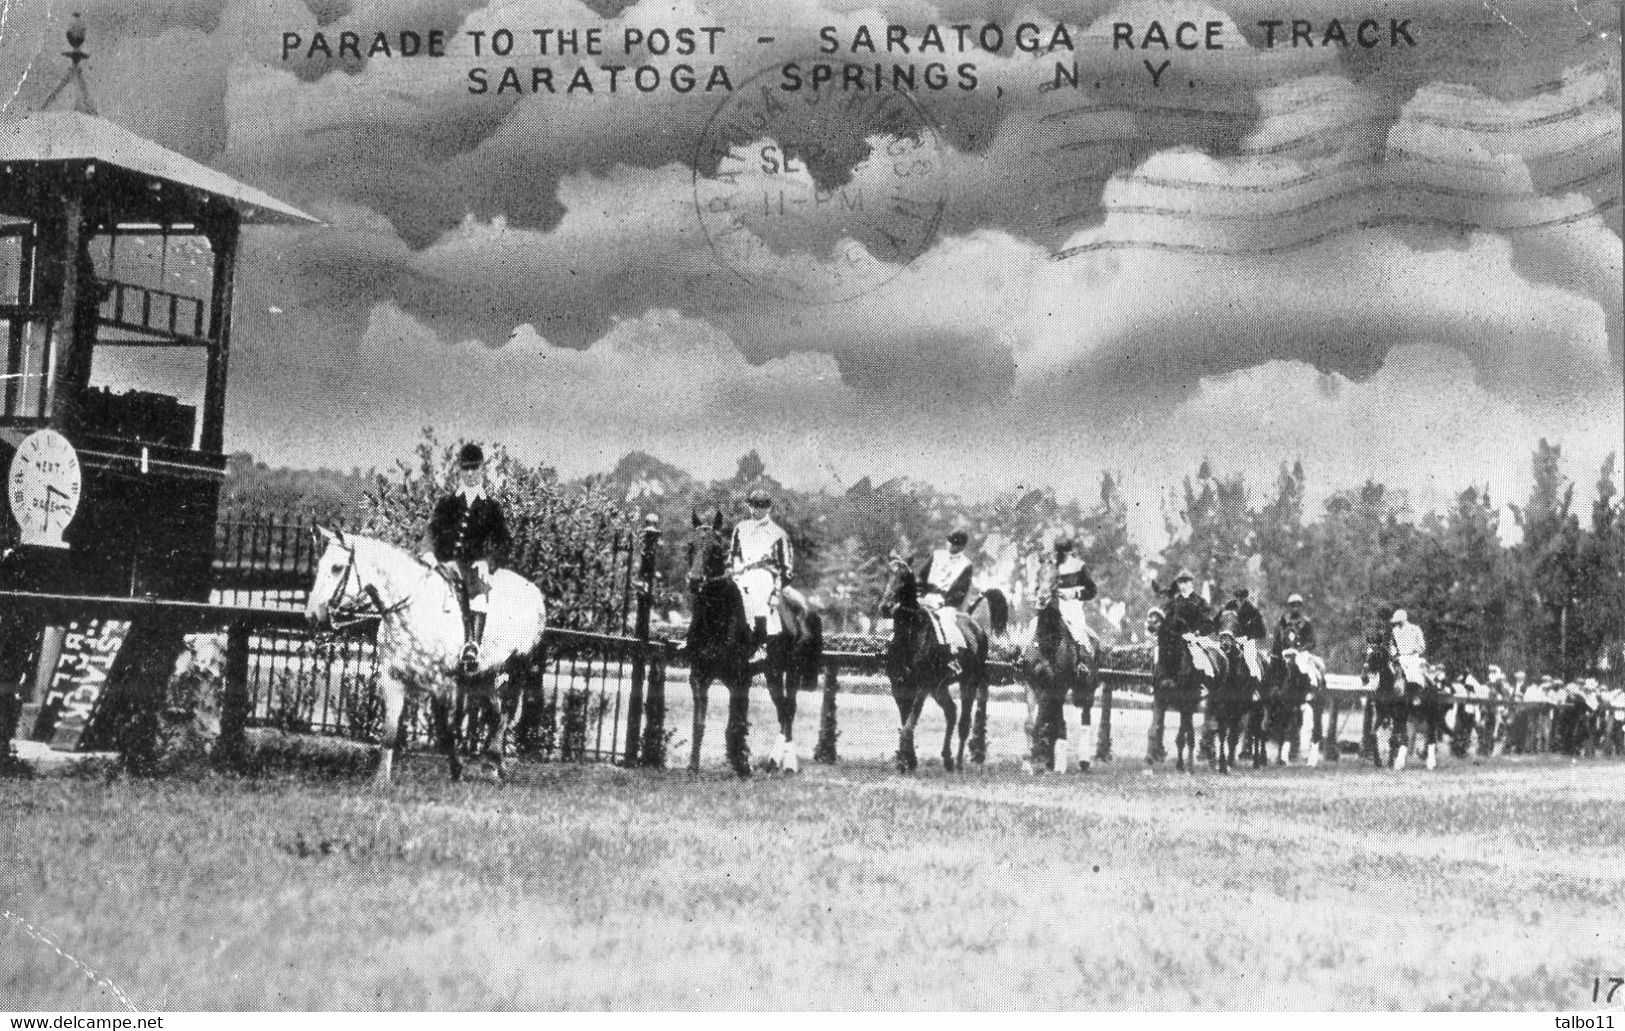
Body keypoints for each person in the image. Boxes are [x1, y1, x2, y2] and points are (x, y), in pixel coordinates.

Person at [429, 443, 511, 675]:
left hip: (474, 566)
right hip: (446, 564)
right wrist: (436, 556)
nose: (471, 473)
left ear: (482, 469)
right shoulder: (447, 503)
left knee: (478, 589)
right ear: (459, 470)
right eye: (466, 468)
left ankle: (472, 644)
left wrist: (489, 561)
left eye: (475, 468)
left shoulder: (491, 507)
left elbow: (504, 542)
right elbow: (433, 532)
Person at [729, 489, 794, 664]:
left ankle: (761, 644)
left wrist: (776, 589)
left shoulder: (778, 533)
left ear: (769, 508)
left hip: (766, 576)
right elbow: (734, 554)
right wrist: (735, 572)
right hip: (741, 573)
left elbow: (785, 566)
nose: (757, 509)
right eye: (754, 505)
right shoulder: (740, 528)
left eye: (762, 506)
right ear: (749, 506)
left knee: (758, 596)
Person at [918, 529, 974, 660]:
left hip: (946, 603)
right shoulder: (937, 555)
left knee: (946, 621)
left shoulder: (966, 564)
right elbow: (921, 576)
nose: (950, 546)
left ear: (961, 547)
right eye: (949, 542)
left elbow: (961, 591)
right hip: (926, 597)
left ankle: (953, 656)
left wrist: (944, 601)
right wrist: (919, 593)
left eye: (954, 545)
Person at [1158, 569, 1214, 680]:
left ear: (1191, 583)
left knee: (1199, 658)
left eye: (1185, 581)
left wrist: (1197, 632)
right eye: (1180, 582)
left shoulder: (1200, 602)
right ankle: (1158, 680)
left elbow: (1208, 623)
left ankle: (1203, 684)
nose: (1182, 585)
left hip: (1193, 638)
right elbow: (1168, 621)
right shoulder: (1173, 603)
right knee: (1158, 653)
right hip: (1174, 638)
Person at [1050, 538, 1098, 654]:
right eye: (1058, 552)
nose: (1060, 555)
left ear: (1070, 552)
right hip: (1054, 610)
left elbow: (1092, 590)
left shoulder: (1079, 566)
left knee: (1078, 636)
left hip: (1073, 610)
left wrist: (1075, 594)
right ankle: (1022, 657)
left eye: (1064, 552)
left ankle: (1083, 663)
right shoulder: (1051, 566)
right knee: (1034, 626)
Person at [1389, 608, 1427, 686]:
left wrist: (1414, 650)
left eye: (1399, 621)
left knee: (1415, 679)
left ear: (1404, 619)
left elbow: (1422, 646)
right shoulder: (1394, 630)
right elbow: (1392, 644)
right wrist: (1394, 653)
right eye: (1396, 621)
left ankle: (1420, 689)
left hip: (1413, 657)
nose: (1397, 623)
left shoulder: (1415, 629)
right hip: (1400, 658)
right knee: (1393, 673)